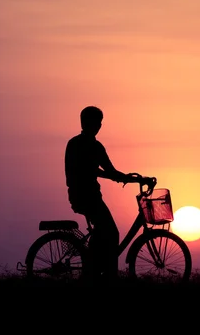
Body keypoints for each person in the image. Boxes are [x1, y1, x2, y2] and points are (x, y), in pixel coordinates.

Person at [64, 105, 152, 283]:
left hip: (88, 196)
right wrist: (132, 179)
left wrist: (131, 178)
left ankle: (98, 270)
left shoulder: (88, 145)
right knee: (112, 233)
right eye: (96, 122)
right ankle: (107, 275)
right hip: (84, 196)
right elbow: (98, 171)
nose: (98, 125)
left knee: (104, 232)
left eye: (99, 122)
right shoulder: (83, 145)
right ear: (86, 123)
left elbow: (109, 171)